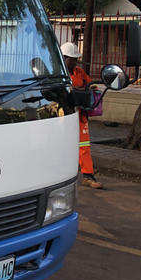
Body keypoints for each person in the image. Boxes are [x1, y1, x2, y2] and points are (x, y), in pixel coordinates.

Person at [61, 42, 103, 189]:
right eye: (72, 59)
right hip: (62, 116)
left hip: (80, 115)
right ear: (64, 58)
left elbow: (91, 84)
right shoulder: (58, 73)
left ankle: (88, 176)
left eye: (76, 59)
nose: (75, 61)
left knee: (84, 145)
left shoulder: (79, 72)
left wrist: (90, 88)